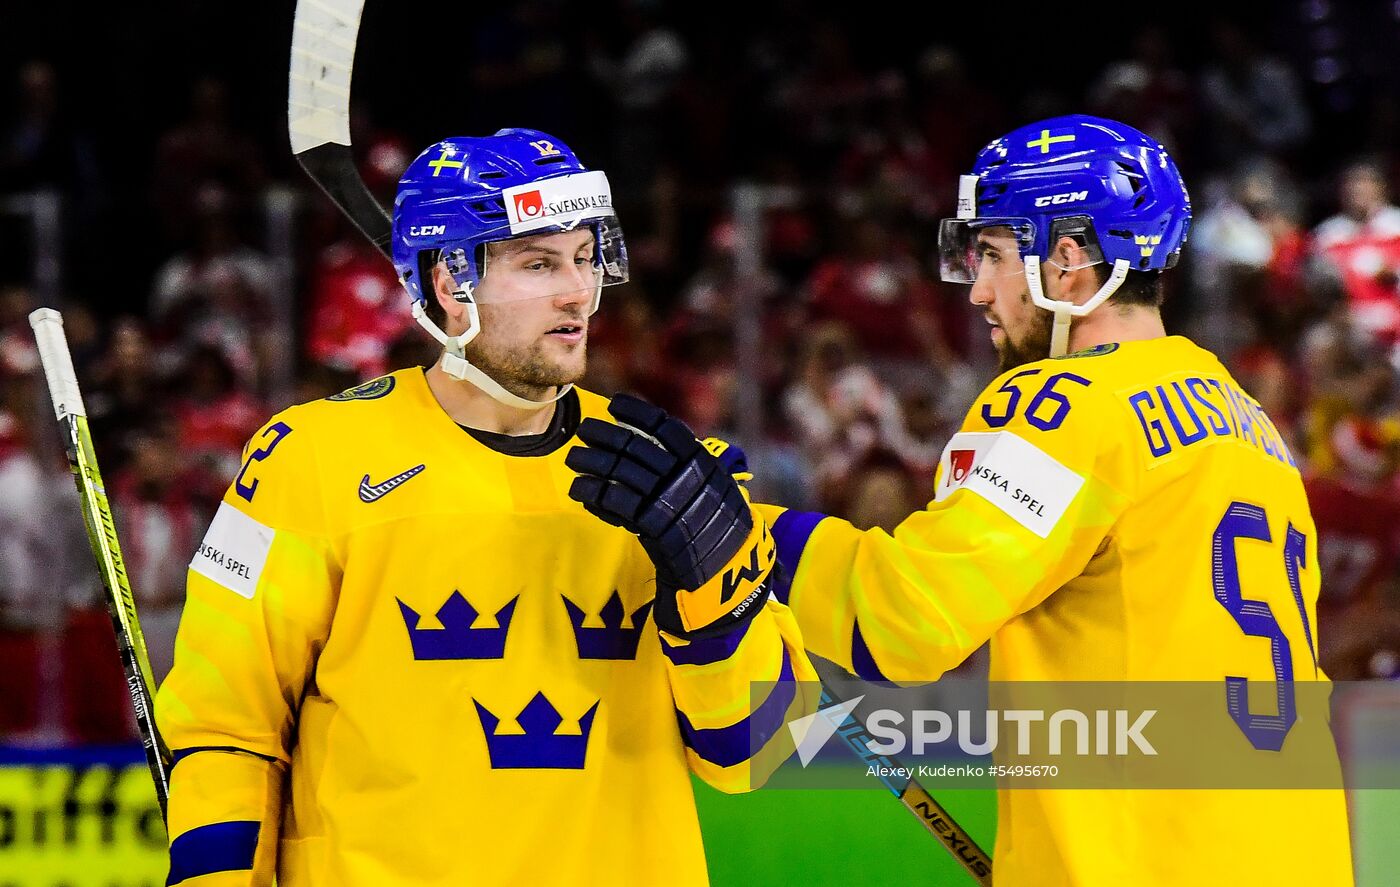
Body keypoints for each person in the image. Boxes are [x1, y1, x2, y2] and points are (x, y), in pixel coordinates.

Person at [569, 115, 1354, 885]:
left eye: (992, 255)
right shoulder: (1245, 418)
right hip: (1298, 854)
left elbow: (904, 619)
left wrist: (732, 531)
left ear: (1069, 260)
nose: (976, 290)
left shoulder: (1067, 403)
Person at [156, 128, 816, 887]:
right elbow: (223, 728)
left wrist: (718, 598)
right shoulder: (306, 457)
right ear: (448, 281)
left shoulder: (672, 473)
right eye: (538, 263)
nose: (578, 291)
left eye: (583, 257)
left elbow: (764, 753)